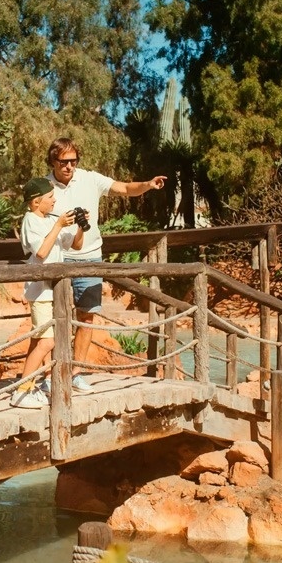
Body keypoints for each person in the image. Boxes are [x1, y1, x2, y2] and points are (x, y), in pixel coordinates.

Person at [45, 137, 166, 391]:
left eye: (73, 161)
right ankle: (49, 374)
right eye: (64, 161)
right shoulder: (44, 186)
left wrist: (147, 184)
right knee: (54, 317)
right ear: (53, 161)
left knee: (86, 316)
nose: (69, 166)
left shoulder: (89, 179)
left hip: (89, 256)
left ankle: (76, 372)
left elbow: (123, 188)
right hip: (56, 259)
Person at [11, 177, 84, 408]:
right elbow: (41, 253)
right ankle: (22, 389)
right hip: (40, 291)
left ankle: (31, 383)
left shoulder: (52, 220)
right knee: (46, 342)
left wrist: (80, 226)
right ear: (35, 202)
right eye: (50, 198)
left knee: (40, 340)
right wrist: (59, 226)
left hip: (57, 291)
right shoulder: (30, 220)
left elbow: (76, 245)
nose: (54, 202)